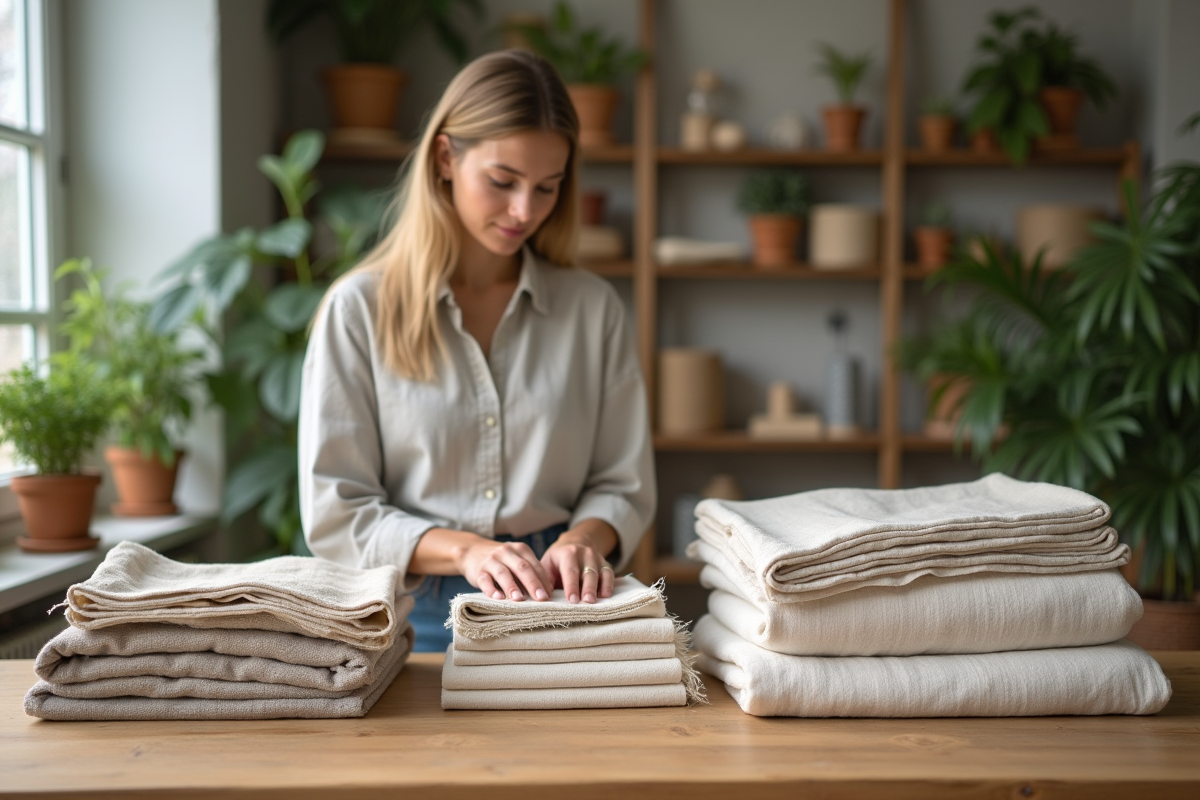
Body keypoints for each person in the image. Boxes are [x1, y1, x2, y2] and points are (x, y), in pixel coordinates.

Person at [298, 50, 655, 653]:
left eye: (547, 187)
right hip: (411, 608)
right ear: (445, 157)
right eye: (502, 181)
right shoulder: (358, 309)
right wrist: (466, 551)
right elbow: (338, 510)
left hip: (566, 596)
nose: (524, 211)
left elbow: (623, 483)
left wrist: (583, 541)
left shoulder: (592, 309)